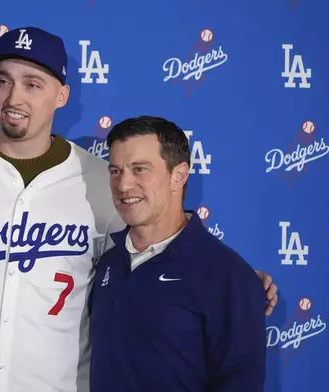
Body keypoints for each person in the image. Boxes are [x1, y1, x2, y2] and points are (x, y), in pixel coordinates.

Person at [0, 27, 278, 392]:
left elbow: (155, 248)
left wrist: (234, 284)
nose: (13, 98)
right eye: (3, 80)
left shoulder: (101, 180)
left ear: (62, 96)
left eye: (32, 84)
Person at [90, 116, 267, 392]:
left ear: (179, 175)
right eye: (115, 171)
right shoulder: (109, 263)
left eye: (140, 169)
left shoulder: (227, 275)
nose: (123, 185)